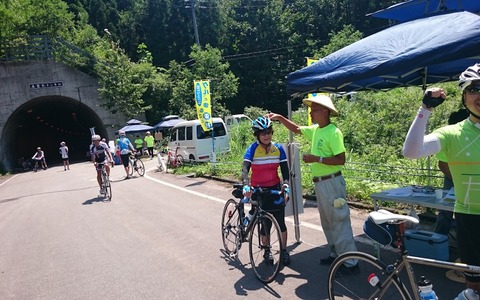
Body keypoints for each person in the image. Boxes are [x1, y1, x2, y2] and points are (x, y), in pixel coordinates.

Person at [403, 63, 480, 294]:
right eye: (475, 89)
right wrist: (425, 108)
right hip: (470, 219)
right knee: (475, 287)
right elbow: (412, 151)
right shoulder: (453, 133)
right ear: (464, 96)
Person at [267, 95, 358, 272]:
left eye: (314, 109)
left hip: (332, 182)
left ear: (325, 111)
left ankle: (351, 263)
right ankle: (336, 255)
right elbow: (297, 128)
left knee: (339, 222)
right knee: (328, 222)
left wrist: (317, 158)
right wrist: (279, 117)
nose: (311, 112)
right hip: (322, 184)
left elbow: (341, 160)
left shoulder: (334, 132)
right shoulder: (316, 129)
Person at [242, 116, 291, 266]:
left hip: (275, 189)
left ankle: (283, 251)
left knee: (281, 222)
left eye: (269, 132)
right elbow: (245, 168)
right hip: (259, 190)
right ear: (257, 135)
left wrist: (286, 185)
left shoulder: (278, 149)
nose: (267, 136)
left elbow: (284, 170)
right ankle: (267, 250)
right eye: (263, 133)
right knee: (265, 225)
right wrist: (246, 184)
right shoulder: (252, 149)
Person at [434, 109, 469, 235]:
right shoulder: (448, 139)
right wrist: (456, 179)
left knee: (468, 213)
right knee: (445, 210)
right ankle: (439, 238)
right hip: (452, 178)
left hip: (472, 180)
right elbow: (442, 164)